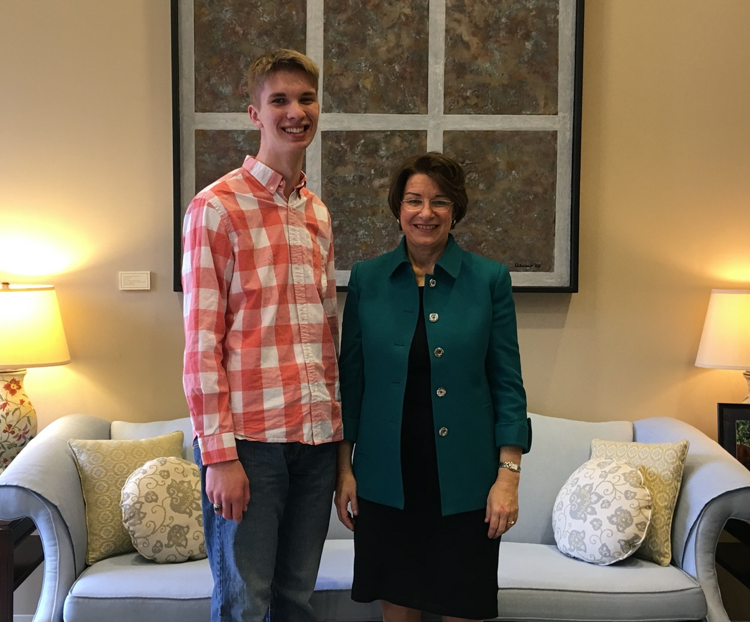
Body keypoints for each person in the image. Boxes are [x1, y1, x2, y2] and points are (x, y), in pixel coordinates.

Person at [336, 152, 531, 622]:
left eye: (440, 202)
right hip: (386, 482)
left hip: (466, 485)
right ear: (398, 209)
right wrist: (343, 469)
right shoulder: (367, 278)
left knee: (461, 608)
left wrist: (508, 477)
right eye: (414, 201)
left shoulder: (489, 279)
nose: (426, 213)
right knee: (398, 612)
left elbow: (508, 383)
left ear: (455, 210)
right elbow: (351, 383)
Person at [181, 49, 341, 622]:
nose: (295, 112)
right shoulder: (216, 208)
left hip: (315, 443)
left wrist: (339, 446)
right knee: (246, 603)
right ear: (255, 113)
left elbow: (327, 336)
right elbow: (201, 343)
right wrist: (218, 457)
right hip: (249, 445)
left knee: (297, 600)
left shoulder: (317, 215)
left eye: (305, 99)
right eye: (280, 100)